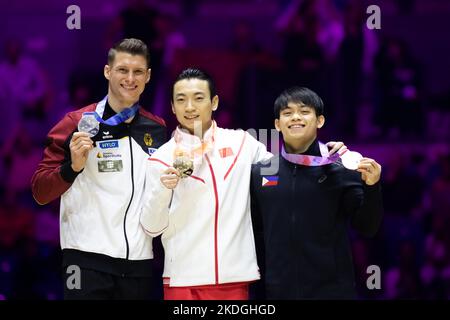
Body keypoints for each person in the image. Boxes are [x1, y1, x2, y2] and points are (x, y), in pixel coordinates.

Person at [139, 68, 344, 300]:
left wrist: (329, 154)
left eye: (198, 98)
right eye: (181, 100)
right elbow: (151, 227)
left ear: (214, 102)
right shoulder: (160, 159)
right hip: (183, 281)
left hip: (235, 278)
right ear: (172, 107)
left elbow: (282, 172)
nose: (189, 107)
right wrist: (163, 190)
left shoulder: (243, 143)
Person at [31, 38, 167, 300]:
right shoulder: (76, 122)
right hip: (85, 262)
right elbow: (39, 191)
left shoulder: (158, 128)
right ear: (107, 72)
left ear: (148, 76)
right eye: (122, 70)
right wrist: (73, 168)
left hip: (138, 264)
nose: (130, 78)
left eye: (138, 71)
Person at [250, 86, 383, 299]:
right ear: (277, 124)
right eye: (287, 113)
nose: (295, 117)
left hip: (332, 292)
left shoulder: (341, 169)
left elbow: (367, 228)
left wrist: (372, 186)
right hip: (278, 292)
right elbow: (255, 235)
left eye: (304, 111)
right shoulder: (261, 172)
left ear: (319, 121)